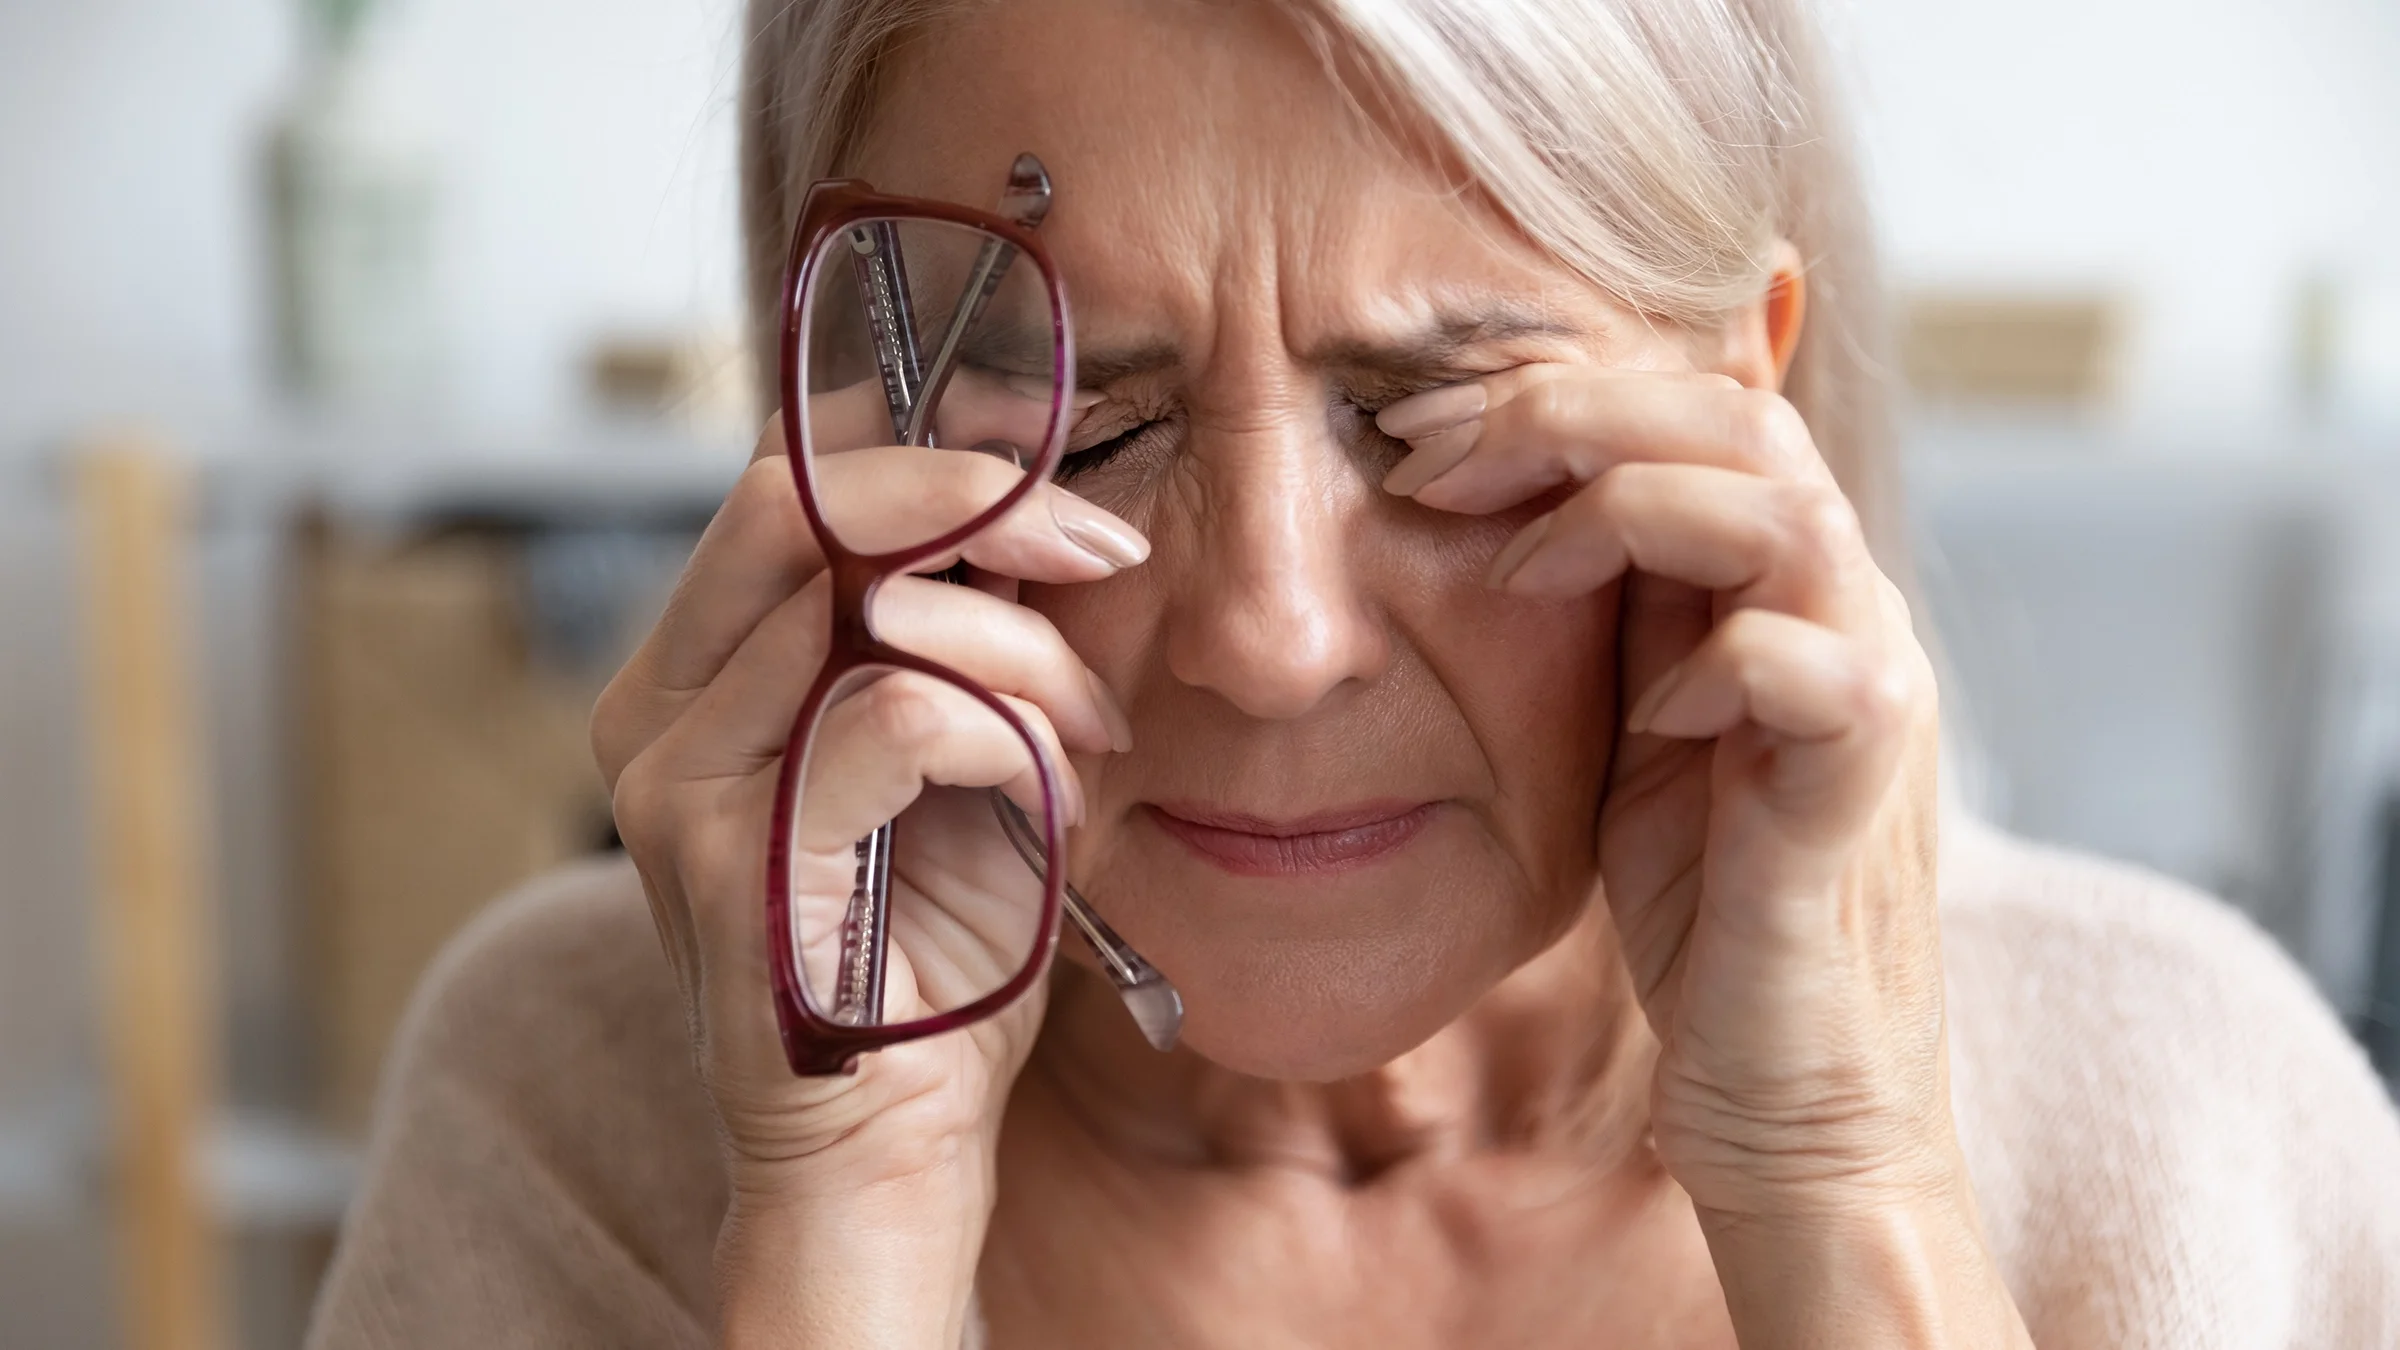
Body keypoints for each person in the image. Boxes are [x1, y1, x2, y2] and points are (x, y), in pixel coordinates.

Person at [307, 0, 2400, 1345]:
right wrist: (840, 1232)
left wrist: (1848, 1187)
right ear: (839, 426)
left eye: (1436, 424)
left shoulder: (2186, 1120)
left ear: (1744, 405)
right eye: (1091, 425)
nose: (1274, 640)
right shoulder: (574, 1112)